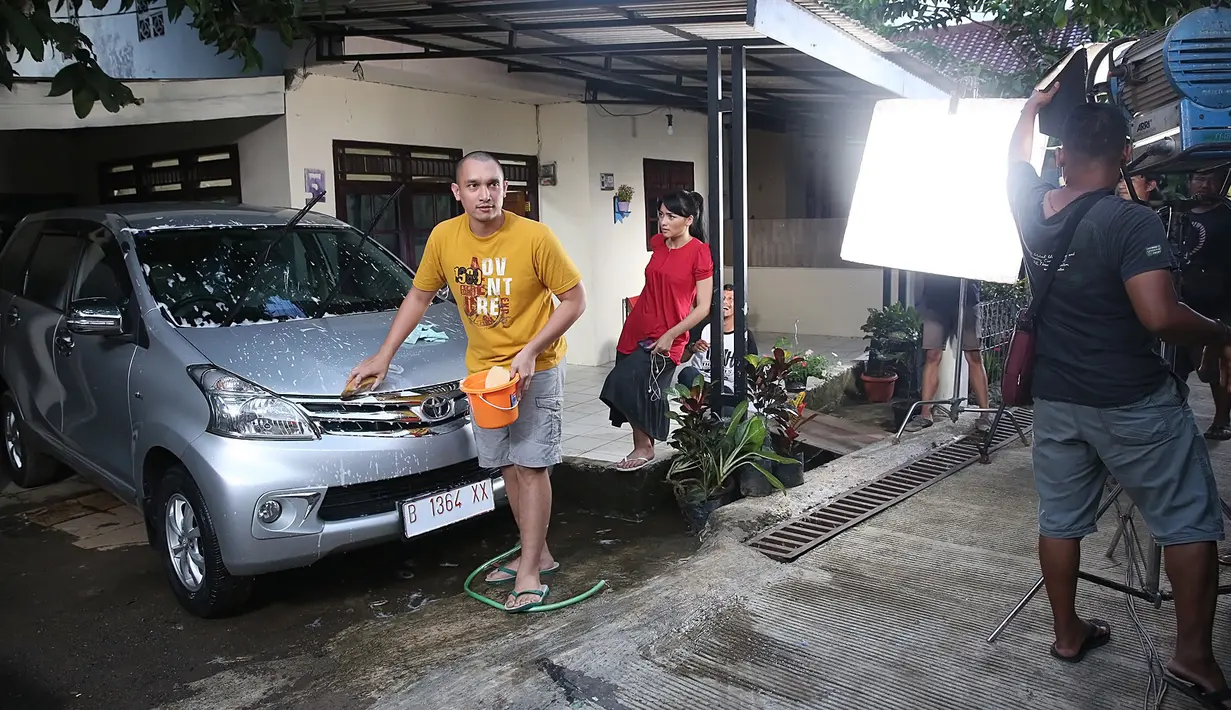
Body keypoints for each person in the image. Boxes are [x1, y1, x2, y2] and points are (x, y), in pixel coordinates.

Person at [1008, 87, 1231, 707]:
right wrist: (1219, 332)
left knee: (1060, 519)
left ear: (1062, 154)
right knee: (1187, 521)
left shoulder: (1031, 208)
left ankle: (1066, 633)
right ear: (1127, 153)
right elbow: (1159, 316)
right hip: (1133, 401)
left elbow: (1014, 159)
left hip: (1055, 399)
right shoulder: (1131, 221)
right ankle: (1193, 656)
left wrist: (1030, 108)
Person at [346, 151, 586, 613]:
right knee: (510, 467)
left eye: (493, 184)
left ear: (504, 188)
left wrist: (532, 349)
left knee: (533, 466)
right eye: (473, 185)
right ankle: (538, 553)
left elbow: (574, 300)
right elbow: (419, 295)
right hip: (484, 376)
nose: (485, 194)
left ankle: (531, 569)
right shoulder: (444, 238)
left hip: (535, 369)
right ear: (457, 193)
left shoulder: (535, 237)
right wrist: (383, 354)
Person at [606, 190, 713, 472]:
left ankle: (646, 447)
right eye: (661, 215)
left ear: (689, 219)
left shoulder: (700, 252)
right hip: (635, 328)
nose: (663, 221)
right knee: (636, 391)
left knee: (625, 383)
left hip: (668, 337)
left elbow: (703, 308)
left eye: (671, 216)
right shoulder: (659, 243)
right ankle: (642, 446)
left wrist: (670, 335)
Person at [1175, 168, 1231, 438]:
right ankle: (1175, 423)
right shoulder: (1176, 216)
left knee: (1215, 370)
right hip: (1182, 301)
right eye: (1199, 178)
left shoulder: (1227, 215)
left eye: (1213, 179)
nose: (1205, 185)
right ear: (1189, 181)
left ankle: (1222, 421)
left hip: (1219, 303)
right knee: (1175, 367)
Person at [903, 275, 993, 433]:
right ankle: (925, 414)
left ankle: (984, 414)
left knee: (974, 356)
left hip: (967, 298)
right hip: (935, 300)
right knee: (932, 355)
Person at [678, 283, 758, 393]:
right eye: (723, 298)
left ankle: (713, 400)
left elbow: (754, 370)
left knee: (726, 393)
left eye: (731, 299)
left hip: (727, 385)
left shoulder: (745, 335)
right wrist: (692, 348)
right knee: (687, 373)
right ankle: (704, 399)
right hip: (701, 380)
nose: (725, 302)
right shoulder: (701, 327)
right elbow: (680, 358)